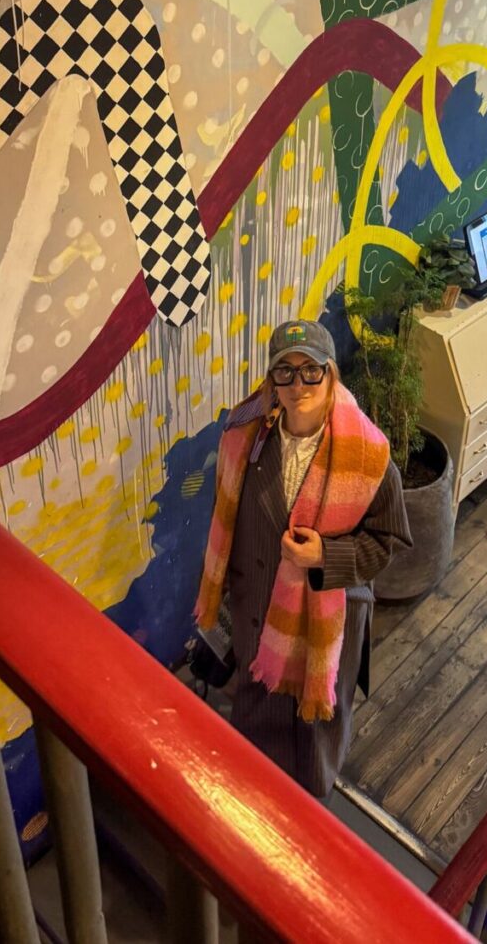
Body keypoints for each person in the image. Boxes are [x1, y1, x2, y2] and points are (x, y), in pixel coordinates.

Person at [196, 319, 411, 800]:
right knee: (258, 707)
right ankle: (259, 799)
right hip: (256, 613)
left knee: (317, 725)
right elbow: (225, 524)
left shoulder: (368, 455)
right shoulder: (243, 441)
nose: (299, 385)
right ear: (272, 381)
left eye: (311, 370)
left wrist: (325, 556)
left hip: (326, 624)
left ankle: (310, 807)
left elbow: (389, 541)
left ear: (331, 373)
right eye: (285, 372)